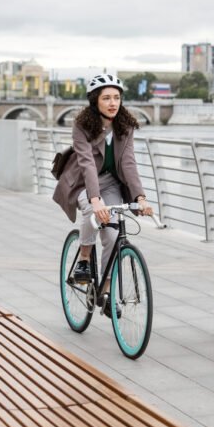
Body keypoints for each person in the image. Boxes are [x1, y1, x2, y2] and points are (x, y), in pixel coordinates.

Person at [53, 73, 153, 316]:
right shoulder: (82, 126)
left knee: (111, 231)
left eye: (117, 97)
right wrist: (95, 200)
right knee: (91, 211)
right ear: (95, 100)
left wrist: (140, 197)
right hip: (81, 181)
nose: (112, 103)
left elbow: (128, 162)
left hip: (110, 182)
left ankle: (105, 291)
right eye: (106, 98)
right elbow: (86, 163)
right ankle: (84, 258)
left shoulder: (125, 126)